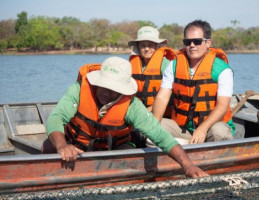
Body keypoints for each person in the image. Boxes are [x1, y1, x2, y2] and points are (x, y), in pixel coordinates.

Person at [41, 56, 208, 178]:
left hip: (113, 148)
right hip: (76, 146)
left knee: (130, 159)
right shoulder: (77, 90)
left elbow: (161, 136)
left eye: (115, 88)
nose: (108, 92)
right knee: (49, 146)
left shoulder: (132, 105)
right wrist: (63, 146)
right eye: (104, 86)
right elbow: (56, 117)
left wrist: (187, 165)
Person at [152, 20, 235, 144]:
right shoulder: (173, 66)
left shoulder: (222, 70)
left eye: (197, 41)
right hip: (183, 128)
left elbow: (222, 106)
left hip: (212, 127)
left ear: (208, 43)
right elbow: (162, 97)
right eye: (187, 42)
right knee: (149, 129)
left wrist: (203, 129)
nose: (192, 45)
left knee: (219, 133)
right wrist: (154, 125)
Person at [128, 26, 176, 147]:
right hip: (138, 111)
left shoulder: (165, 64)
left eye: (151, 45)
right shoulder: (132, 64)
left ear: (157, 46)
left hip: (161, 113)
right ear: (138, 47)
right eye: (143, 45)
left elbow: (171, 95)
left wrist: (148, 110)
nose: (147, 48)